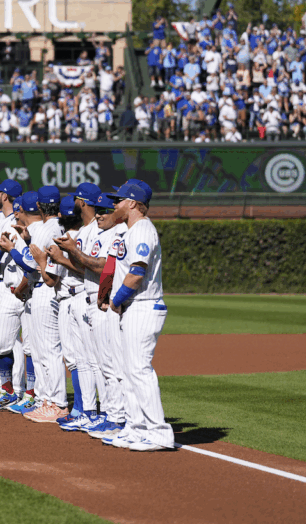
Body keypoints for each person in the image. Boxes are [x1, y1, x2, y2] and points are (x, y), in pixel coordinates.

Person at [99, 180, 173, 451]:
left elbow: (136, 274)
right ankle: (136, 426)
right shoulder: (129, 231)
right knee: (128, 371)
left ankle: (159, 432)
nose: (114, 204)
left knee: (139, 370)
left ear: (132, 203)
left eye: (119, 200)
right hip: (133, 307)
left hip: (142, 305)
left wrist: (116, 301)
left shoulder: (142, 230)